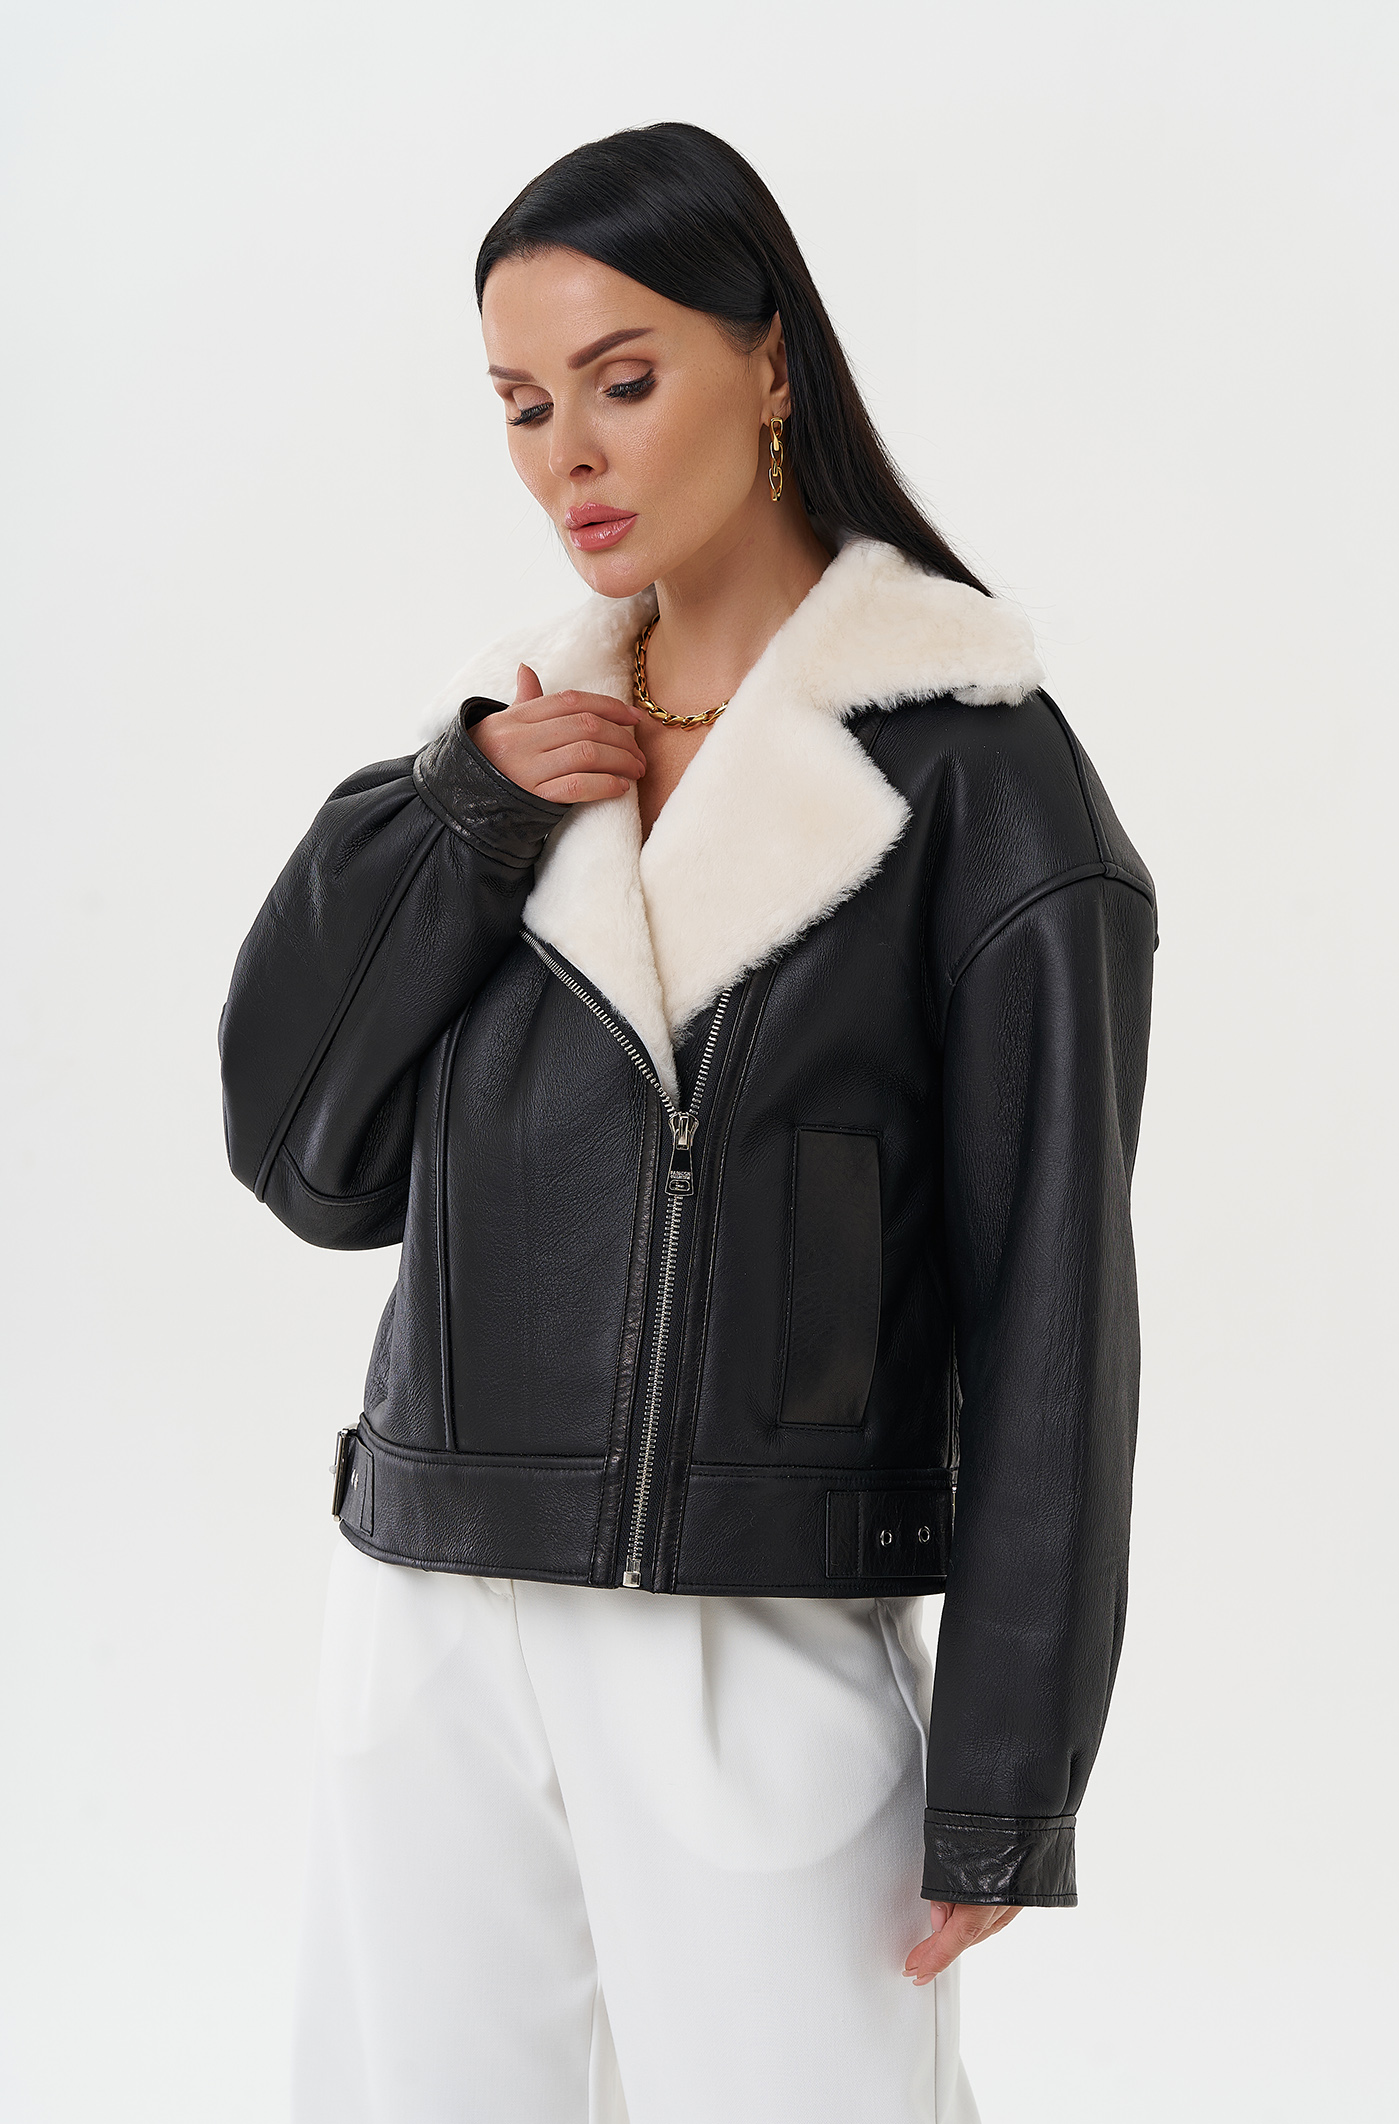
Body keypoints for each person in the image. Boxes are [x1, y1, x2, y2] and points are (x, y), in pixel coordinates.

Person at [219, 121, 1157, 2124]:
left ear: (772, 360)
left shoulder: (977, 781)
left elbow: (1055, 1306)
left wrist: (1008, 1775)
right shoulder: (507, 752)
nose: (569, 454)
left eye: (623, 381)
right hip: (430, 1601)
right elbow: (308, 1164)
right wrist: (459, 818)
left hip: (753, 1630)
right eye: (521, 404)